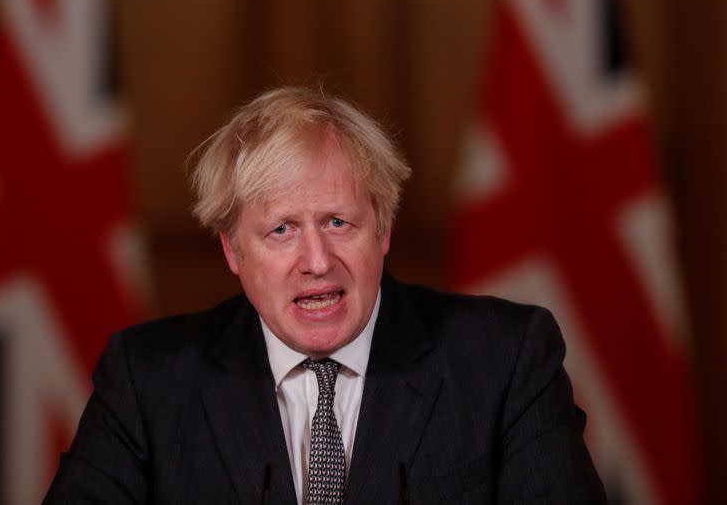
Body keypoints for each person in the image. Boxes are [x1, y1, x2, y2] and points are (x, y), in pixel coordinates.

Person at [43, 87, 606, 504]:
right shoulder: (148, 382)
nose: (316, 262)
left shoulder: (505, 361)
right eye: (281, 230)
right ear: (233, 251)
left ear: (383, 229)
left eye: (339, 222)